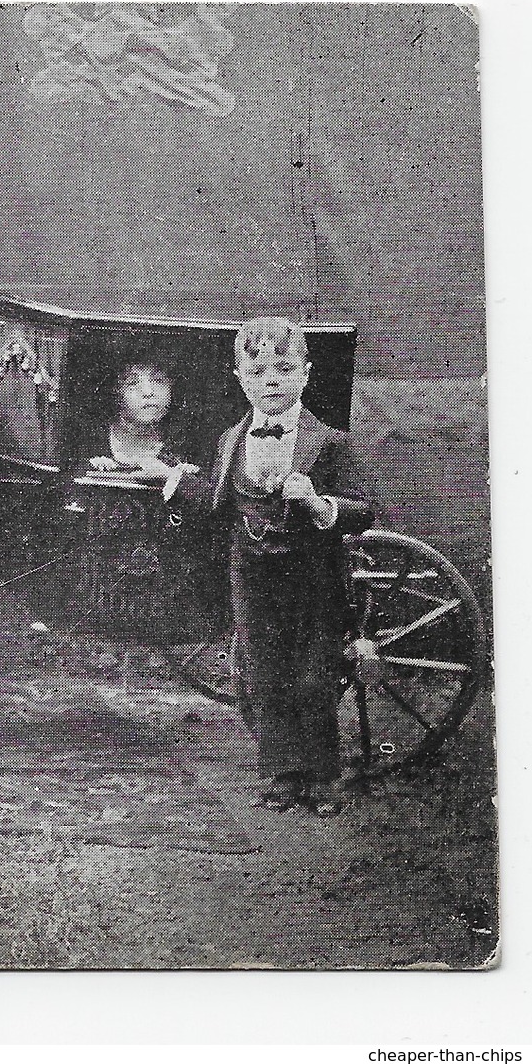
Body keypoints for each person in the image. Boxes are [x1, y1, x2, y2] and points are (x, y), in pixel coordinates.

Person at [166, 317, 372, 816]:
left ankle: (322, 778)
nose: (271, 381)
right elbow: (219, 502)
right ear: (241, 379)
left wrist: (320, 502)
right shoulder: (230, 439)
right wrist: (174, 483)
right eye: (258, 371)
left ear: (305, 374)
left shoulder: (329, 441)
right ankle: (282, 774)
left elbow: (364, 509)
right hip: (252, 574)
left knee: (313, 676)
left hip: (314, 576)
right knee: (264, 676)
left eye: (283, 368)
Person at [85, 361, 190, 479]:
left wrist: (171, 476)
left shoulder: (187, 443)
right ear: (116, 393)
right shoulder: (89, 441)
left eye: (159, 381)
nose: (148, 392)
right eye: (132, 383)